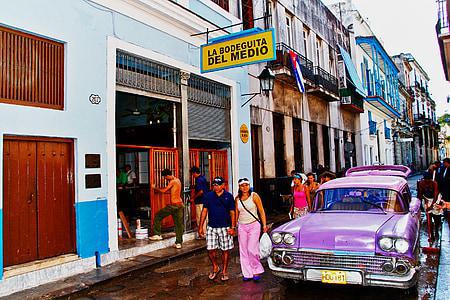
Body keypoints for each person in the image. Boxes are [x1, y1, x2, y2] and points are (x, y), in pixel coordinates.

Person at [198, 176, 236, 282]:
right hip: (211, 227)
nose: (216, 186)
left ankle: (224, 271)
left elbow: (232, 212)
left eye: (218, 184)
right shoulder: (208, 196)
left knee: (225, 250)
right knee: (210, 249)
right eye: (214, 184)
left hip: (225, 227)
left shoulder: (229, 196)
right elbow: (204, 211)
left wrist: (233, 227)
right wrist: (200, 227)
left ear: (223, 185)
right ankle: (215, 267)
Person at [235, 178, 268, 282]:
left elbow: (261, 211)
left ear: (249, 186)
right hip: (242, 226)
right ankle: (247, 273)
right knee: (243, 250)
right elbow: (236, 214)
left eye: (246, 185)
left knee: (252, 249)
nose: (244, 187)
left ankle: (256, 270)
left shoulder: (254, 196)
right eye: (242, 185)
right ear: (239, 187)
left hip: (254, 225)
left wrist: (264, 225)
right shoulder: (237, 199)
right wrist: (233, 226)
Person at [149, 169, 184, 249]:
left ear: (167, 175)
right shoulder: (178, 180)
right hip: (180, 204)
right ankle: (179, 243)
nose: (165, 179)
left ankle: (157, 234)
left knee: (158, 215)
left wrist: (155, 188)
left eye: (165, 177)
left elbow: (164, 190)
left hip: (173, 205)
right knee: (178, 224)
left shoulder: (172, 182)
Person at [418, 172, 444, 240]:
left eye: (428, 181)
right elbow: (420, 194)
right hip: (427, 199)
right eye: (426, 181)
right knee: (429, 217)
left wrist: (432, 206)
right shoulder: (421, 183)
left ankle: (436, 231)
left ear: (431, 180)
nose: (427, 183)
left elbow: (435, 195)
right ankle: (431, 234)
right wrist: (421, 201)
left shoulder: (434, 183)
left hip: (436, 199)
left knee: (436, 217)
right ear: (424, 179)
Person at [190, 166, 209, 239]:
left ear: (194, 173)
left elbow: (201, 191)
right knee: (206, 217)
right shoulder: (203, 178)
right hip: (205, 200)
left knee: (200, 217)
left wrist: (193, 198)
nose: (193, 176)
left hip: (200, 200)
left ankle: (202, 233)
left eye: (192, 174)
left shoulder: (198, 180)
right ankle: (206, 232)